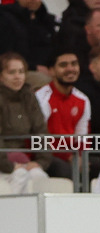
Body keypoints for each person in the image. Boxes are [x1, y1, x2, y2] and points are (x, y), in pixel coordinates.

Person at [0, 51, 56, 193]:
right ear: (1, 76)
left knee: (39, 176)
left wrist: (40, 162)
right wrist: (9, 165)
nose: (17, 76)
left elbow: (41, 131)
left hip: (21, 159)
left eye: (21, 72)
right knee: (20, 175)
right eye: (12, 72)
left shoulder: (29, 96)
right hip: (4, 162)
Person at [34, 51, 89, 177]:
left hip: (72, 154)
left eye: (74, 64)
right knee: (64, 170)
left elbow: (83, 136)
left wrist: (80, 156)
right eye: (63, 65)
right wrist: (68, 156)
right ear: (51, 71)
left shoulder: (83, 99)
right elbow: (39, 139)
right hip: (47, 154)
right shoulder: (41, 99)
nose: (70, 69)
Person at [0, 0, 58, 73]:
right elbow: (4, 54)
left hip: (50, 70)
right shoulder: (5, 18)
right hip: (18, 71)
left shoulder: (48, 20)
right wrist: (33, 67)